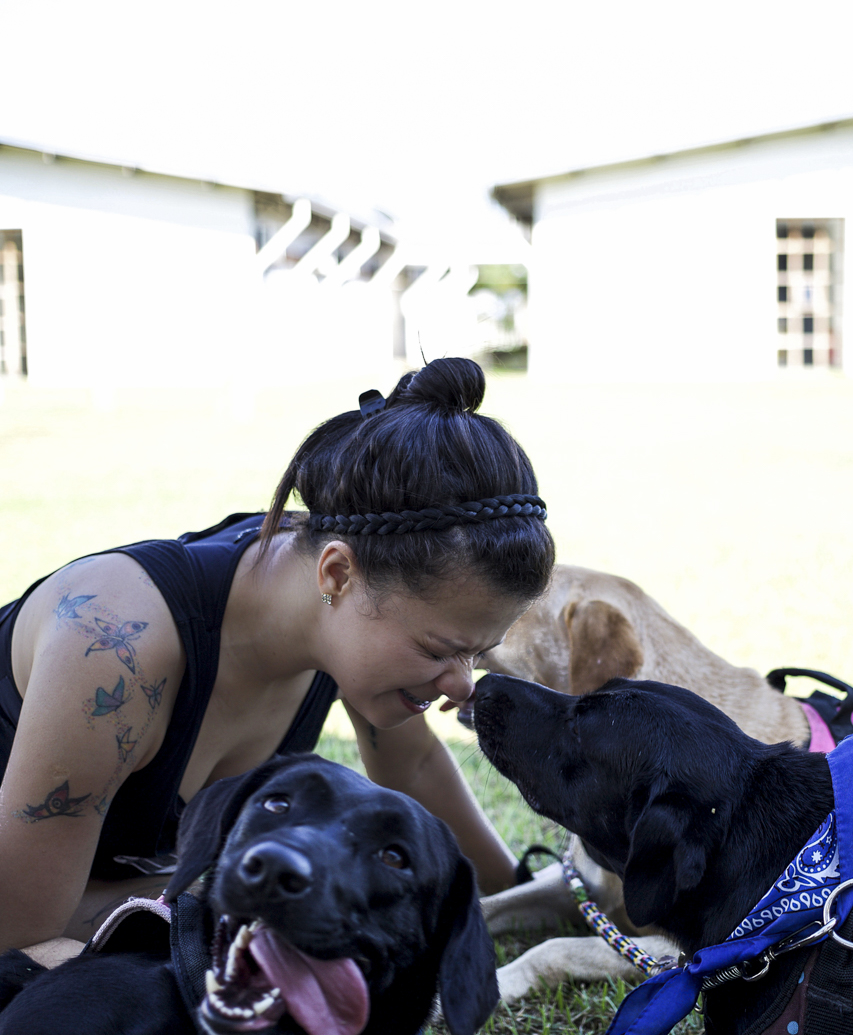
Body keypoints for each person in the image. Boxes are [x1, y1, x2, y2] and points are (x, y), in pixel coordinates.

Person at [0, 358, 554, 961]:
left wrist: (527, 899)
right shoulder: (114, 645)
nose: (461, 685)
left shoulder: (332, 611)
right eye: (439, 650)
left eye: (475, 654)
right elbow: (21, 944)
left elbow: (415, 765)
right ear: (336, 573)